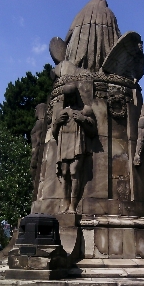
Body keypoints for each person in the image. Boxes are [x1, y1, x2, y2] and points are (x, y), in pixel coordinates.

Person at [52, 84, 97, 213]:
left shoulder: (85, 110)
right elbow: (54, 134)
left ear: (76, 95)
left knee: (74, 172)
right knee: (65, 173)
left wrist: (83, 120)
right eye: (68, 96)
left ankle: (73, 206)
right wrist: (57, 123)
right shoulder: (61, 112)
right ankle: (66, 203)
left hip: (77, 144)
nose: (70, 98)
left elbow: (93, 131)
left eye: (72, 96)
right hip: (63, 144)